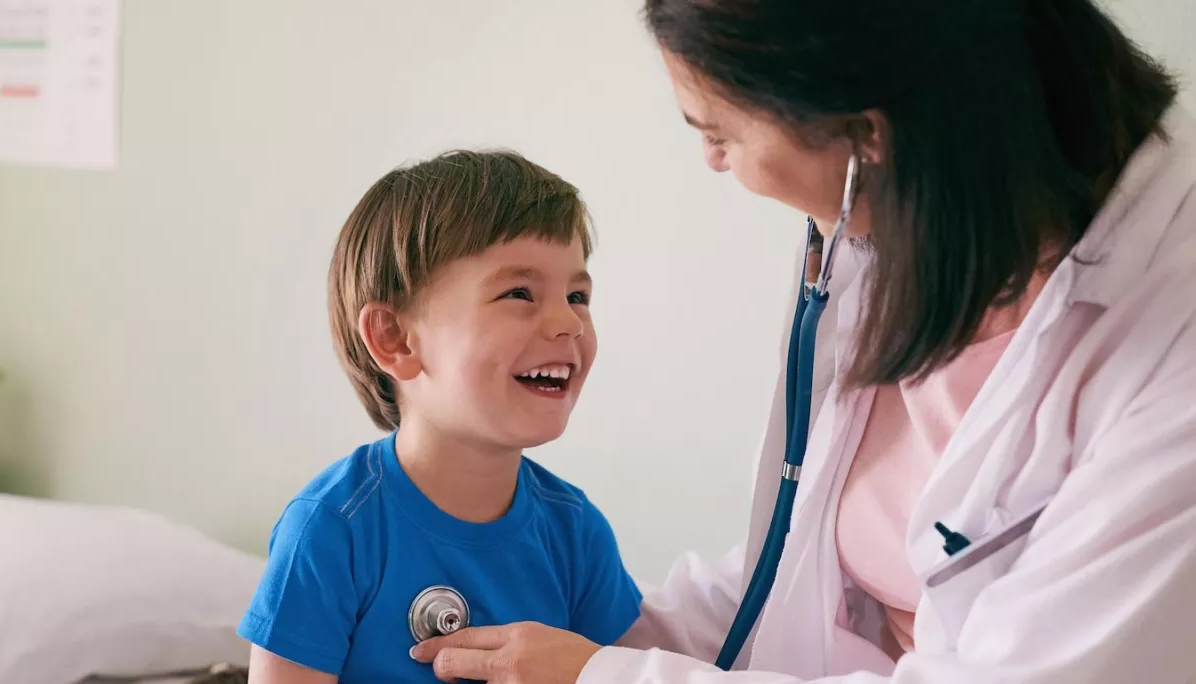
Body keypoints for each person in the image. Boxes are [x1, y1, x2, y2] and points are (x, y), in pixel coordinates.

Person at [409, 0, 1196, 682]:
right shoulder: (881, 232)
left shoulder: (1169, 348)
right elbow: (791, 559)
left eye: (720, 132)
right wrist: (590, 645)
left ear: (866, 136)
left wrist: (604, 676)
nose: (713, 163)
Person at [237, 150, 644, 682]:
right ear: (395, 338)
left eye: (578, 295)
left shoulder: (576, 532)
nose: (568, 322)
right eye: (519, 293)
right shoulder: (333, 528)